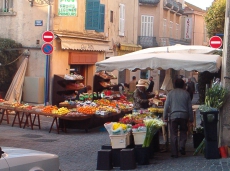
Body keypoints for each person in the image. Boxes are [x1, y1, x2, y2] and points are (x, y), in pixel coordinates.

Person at [163, 78, 193, 158]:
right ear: (183, 85)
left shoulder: (170, 93)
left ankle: (174, 152)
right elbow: (190, 107)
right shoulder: (186, 94)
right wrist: (191, 119)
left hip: (173, 115)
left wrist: (165, 116)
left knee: (173, 134)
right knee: (183, 131)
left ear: (175, 85)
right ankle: (182, 146)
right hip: (184, 116)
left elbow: (166, 106)